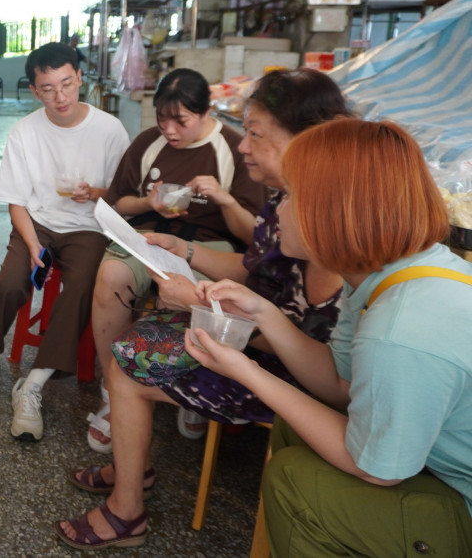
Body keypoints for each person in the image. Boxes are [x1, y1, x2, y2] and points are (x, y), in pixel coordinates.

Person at [55, 68, 347, 551]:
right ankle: (132, 464)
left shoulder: (322, 217)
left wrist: (199, 301)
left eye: (255, 134)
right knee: (132, 332)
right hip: (256, 332)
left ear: (304, 140)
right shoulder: (287, 200)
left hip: (282, 367)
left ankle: (127, 508)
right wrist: (182, 250)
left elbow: (314, 350)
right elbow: (254, 266)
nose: (245, 145)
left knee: (130, 360)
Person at [189, 118, 472, 556]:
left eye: (292, 195)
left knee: (295, 483)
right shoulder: (384, 275)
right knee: (295, 428)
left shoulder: (400, 326)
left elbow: (377, 469)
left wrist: (244, 369)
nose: (278, 209)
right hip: (436, 464)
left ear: (334, 209)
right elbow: (340, 385)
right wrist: (263, 313)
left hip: (463, 507)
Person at [0, 42, 129, 441]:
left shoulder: (109, 129)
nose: (59, 97)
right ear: (34, 90)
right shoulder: (24, 132)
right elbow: (17, 202)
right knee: (9, 282)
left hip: (89, 227)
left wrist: (95, 192)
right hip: (37, 221)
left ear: (80, 78)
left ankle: (34, 383)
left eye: (66, 84)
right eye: (48, 88)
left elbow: (123, 194)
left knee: (79, 288)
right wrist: (31, 248)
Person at [86, 67, 266, 453]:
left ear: (204, 113)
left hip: (210, 242)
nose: (169, 130)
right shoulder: (149, 143)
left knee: (199, 293)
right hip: (150, 236)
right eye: (162, 119)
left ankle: (194, 380)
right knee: (111, 275)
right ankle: (110, 388)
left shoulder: (233, 148)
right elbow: (120, 201)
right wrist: (148, 203)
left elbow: (253, 235)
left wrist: (225, 199)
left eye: (180, 121)